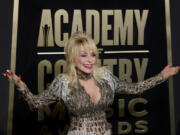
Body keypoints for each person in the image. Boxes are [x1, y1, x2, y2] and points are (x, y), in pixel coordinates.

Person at [2, 31, 180, 135]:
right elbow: (36, 103)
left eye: (93, 54)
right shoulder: (64, 83)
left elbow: (135, 89)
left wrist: (162, 76)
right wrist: (20, 85)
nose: (90, 60)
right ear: (73, 58)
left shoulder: (106, 78)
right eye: (83, 55)